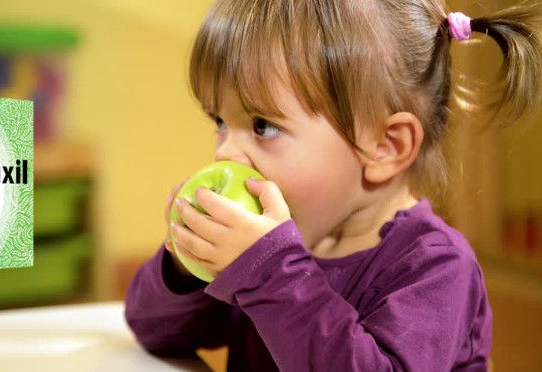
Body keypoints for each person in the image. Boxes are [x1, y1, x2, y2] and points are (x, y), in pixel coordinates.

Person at [124, 1, 541, 370]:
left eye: (262, 125)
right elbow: (155, 333)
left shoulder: (436, 267)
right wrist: (185, 265)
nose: (225, 155)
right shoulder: (278, 243)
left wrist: (271, 276)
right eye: (218, 121)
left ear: (385, 146)